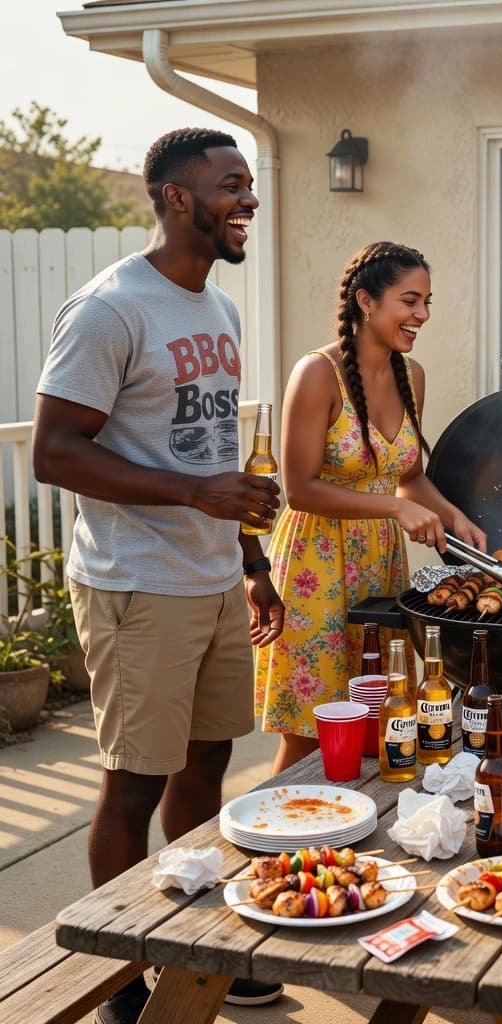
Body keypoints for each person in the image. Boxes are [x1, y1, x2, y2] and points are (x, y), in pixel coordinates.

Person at [33, 127, 285, 1023]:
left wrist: (251, 560)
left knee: (208, 764)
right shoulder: (111, 309)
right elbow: (55, 454)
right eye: (230, 185)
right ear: (177, 198)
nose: (246, 199)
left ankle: (199, 945)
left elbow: (214, 453)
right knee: (134, 779)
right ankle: (119, 974)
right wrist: (193, 492)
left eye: (249, 184)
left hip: (213, 576)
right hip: (136, 579)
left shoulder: (219, 308)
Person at [254, 241, 485, 774]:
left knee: (380, 723)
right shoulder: (316, 373)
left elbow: (408, 479)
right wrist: (395, 510)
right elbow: (300, 488)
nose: (422, 315)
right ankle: (284, 839)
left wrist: (452, 516)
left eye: (427, 302)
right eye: (410, 301)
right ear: (366, 301)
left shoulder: (412, 375)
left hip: (378, 566)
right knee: (311, 733)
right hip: (316, 565)